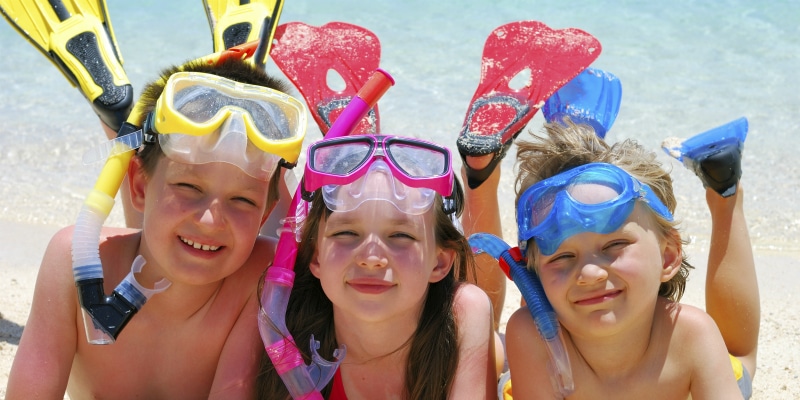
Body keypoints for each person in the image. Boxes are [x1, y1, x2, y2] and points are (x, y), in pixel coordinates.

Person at [5, 57, 307, 399]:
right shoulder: (74, 261)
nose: (210, 220)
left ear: (265, 213)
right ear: (138, 186)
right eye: (189, 188)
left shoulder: (261, 277)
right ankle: (116, 118)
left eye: (242, 201)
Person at [502, 119, 758, 399]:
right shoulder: (532, 337)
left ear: (667, 255)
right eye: (563, 255)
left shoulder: (691, 337)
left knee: (738, 358)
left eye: (615, 244)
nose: (589, 273)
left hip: (710, 366)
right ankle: (483, 173)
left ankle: (725, 191)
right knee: (492, 352)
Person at [256, 134, 497, 399]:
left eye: (400, 236)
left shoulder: (464, 311)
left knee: (496, 348)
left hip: (449, 324)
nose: (371, 258)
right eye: (346, 233)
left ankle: (481, 177)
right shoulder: (283, 325)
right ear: (316, 258)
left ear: (439, 263)